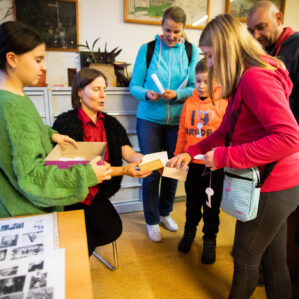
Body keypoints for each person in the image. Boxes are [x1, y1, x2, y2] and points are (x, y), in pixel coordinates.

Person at [170, 14, 299, 298]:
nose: (210, 63)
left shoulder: (255, 79)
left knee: (244, 258)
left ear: (226, 49)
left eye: (210, 56)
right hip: (278, 183)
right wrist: (189, 153)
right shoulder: (244, 80)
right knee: (272, 259)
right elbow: (224, 134)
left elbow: (289, 137)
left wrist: (225, 157)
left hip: (274, 185)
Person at [0, 21, 112, 218]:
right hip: (28, 212)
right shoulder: (11, 107)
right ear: (12, 59)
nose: (43, 68)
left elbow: (20, 135)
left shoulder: (13, 96)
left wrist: (51, 135)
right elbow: (31, 178)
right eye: (38, 60)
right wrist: (87, 174)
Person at [53, 68, 151, 255]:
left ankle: (74, 250)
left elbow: (127, 152)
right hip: (73, 191)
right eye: (96, 89)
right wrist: (125, 171)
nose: (103, 95)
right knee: (96, 235)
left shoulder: (111, 124)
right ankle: (76, 255)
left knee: (110, 229)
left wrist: (145, 159)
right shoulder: (64, 124)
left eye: (104, 90)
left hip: (96, 191)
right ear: (80, 92)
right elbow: (69, 170)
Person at [129, 6, 200, 242]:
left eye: (176, 32)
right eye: (168, 31)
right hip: (149, 119)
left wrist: (178, 95)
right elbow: (134, 86)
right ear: (162, 26)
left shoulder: (190, 51)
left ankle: (164, 213)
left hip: (178, 122)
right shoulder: (148, 49)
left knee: (173, 170)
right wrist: (147, 94)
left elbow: (194, 85)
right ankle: (151, 220)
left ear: (183, 30)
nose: (171, 36)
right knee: (152, 171)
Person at [175, 58, 227, 264]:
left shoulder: (224, 103)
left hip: (213, 167)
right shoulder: (189, 102)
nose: (202, 86)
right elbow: (182, 131)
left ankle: (209, 238)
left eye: (206, 82)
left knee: (211, 206)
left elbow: (227, 136)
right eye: (198, 81)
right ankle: (189, 232)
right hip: (193, 166)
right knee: (192, 203)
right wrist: (179, 155)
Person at [247, 0, 299, 123]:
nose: (256, 36)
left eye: (261, 27)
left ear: (278, 19)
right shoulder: (260, 50)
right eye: (251, 31)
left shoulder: (296, 47)